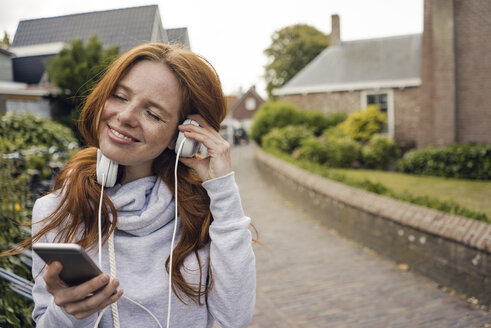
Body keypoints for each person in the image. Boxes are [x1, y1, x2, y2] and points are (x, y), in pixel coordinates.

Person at [25, 43, 256, 327]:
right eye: (120, 96)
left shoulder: (203, 211)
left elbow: (236, 316)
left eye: (154, 114)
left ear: (183, 137)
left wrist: (223, 190)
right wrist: (68, 314)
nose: (125, 116)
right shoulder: (55, 211)